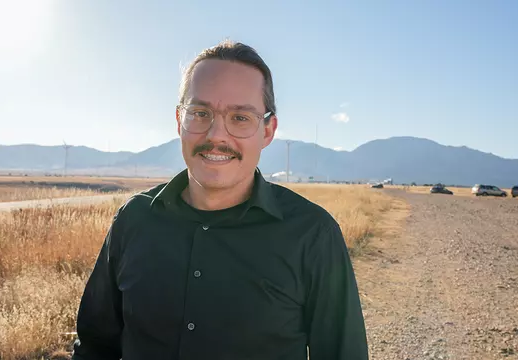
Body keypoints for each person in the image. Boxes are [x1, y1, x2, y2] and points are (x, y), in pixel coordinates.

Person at [71, 39, 369, 360]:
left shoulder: (313, 235)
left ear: (268, 131)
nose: (216, 136)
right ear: (178, 121)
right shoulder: (134, 220)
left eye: (240, 118)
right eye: (200, 113)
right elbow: (94, 347)